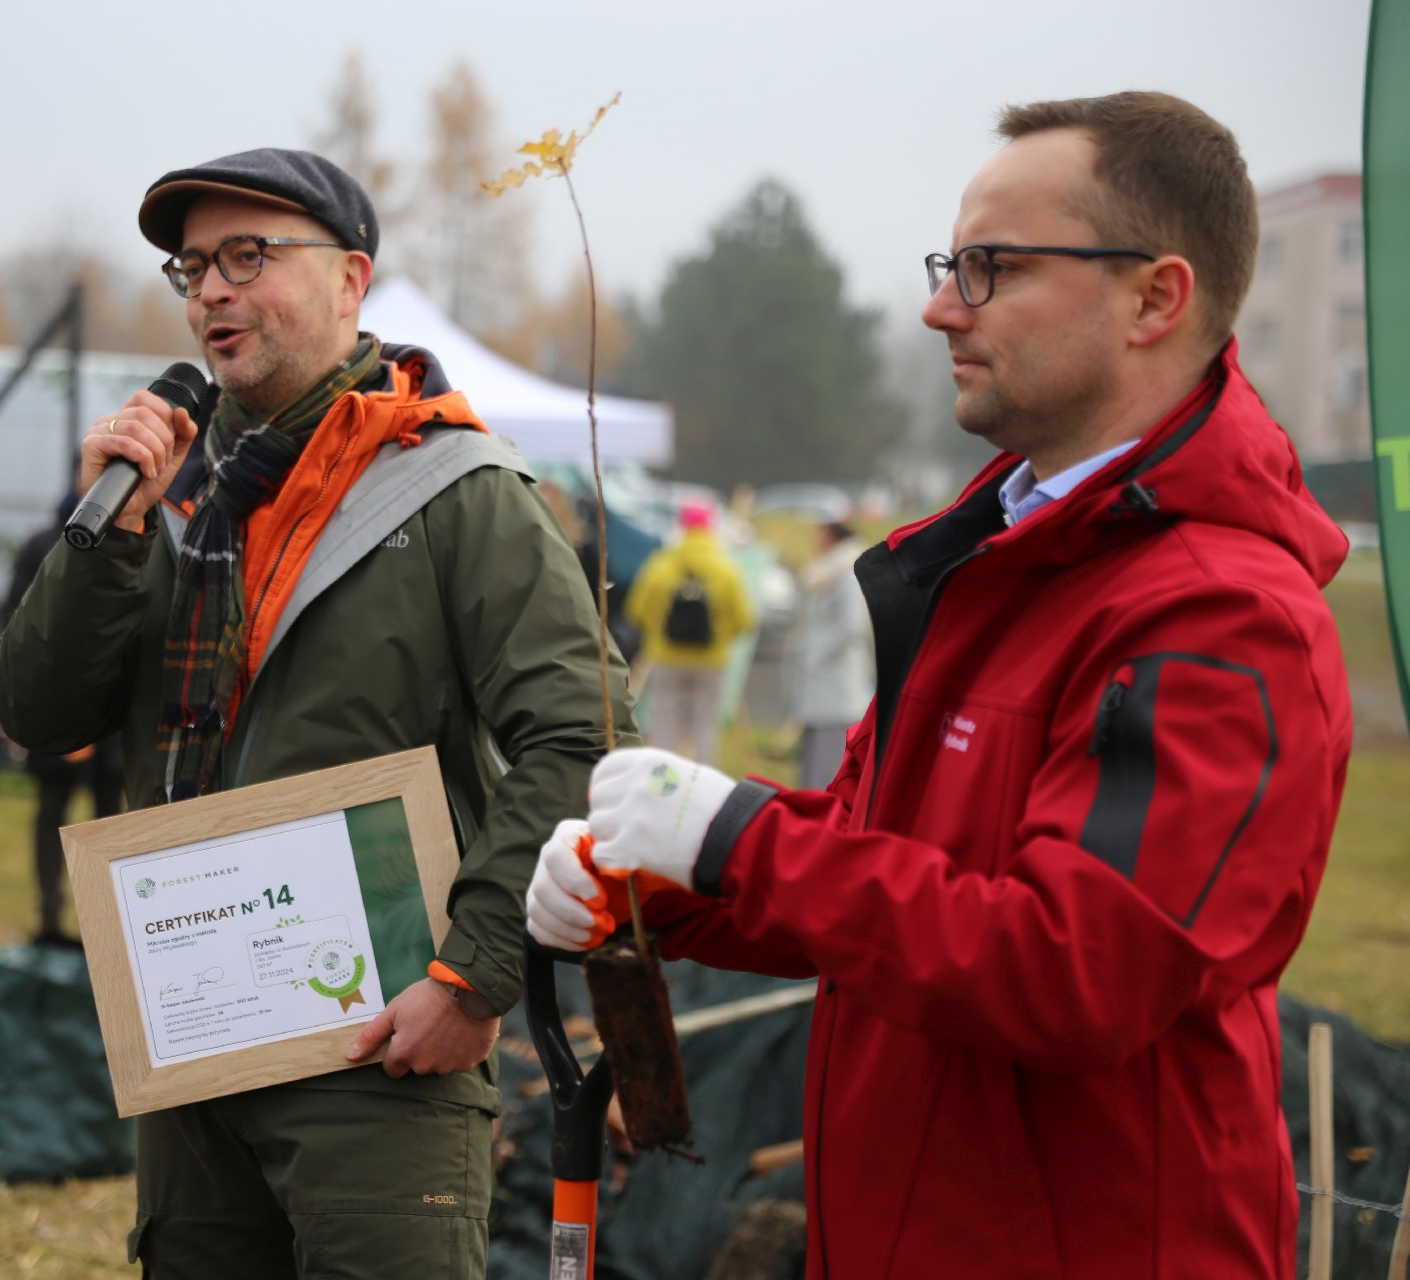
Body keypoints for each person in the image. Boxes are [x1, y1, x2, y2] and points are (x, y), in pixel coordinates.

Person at [526, 92, 1352, 1278]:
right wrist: (656, 884)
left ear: (1155, 298)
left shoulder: (1221, 614)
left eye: (991, 268)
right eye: (946, 264)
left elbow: (1072, 968)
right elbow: (880, 864)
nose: (937, 306)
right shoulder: (997, 562)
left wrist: (739, 839)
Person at [0, 147, 629, 1278]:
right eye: (192, 267)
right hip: (197, 1047)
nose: (211, 291)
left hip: (382, 1048)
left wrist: (471, 975)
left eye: (249, 256)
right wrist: (109, 533)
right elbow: (38, 715)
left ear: (351, 280)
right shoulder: (178, 498)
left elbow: (582, 736)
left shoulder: (456, 488)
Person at [0, 469, 125, 942]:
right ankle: (49, 920)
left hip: (114, 708)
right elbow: (17, 623)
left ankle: (110, 926)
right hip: (56, 702)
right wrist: (20, 700)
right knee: (52, 809)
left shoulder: (141, 538)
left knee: (110, 814)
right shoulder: (41, 545)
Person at [624, 501, 753, 762]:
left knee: (664, 724)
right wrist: (721, 634)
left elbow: (635, 610)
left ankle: (664, 785)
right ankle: (702, 787)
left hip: (665, 657)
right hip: (711, 661)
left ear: (681, 527)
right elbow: (743, 620)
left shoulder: (660, 564)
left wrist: (658, 632)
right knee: (704, 727)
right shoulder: (726, 569)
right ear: (711, 528)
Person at [787, 518, 871, 789]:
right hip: (821, 679)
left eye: (819, 534)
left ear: (833, 537)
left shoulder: (848, 574)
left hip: (836, 679)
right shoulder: (827, 572)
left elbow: (853, 625)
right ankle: (811, 800)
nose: (815, 541)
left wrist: (816, 654)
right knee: (815, 748)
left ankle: (825, 806)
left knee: (830, 752)